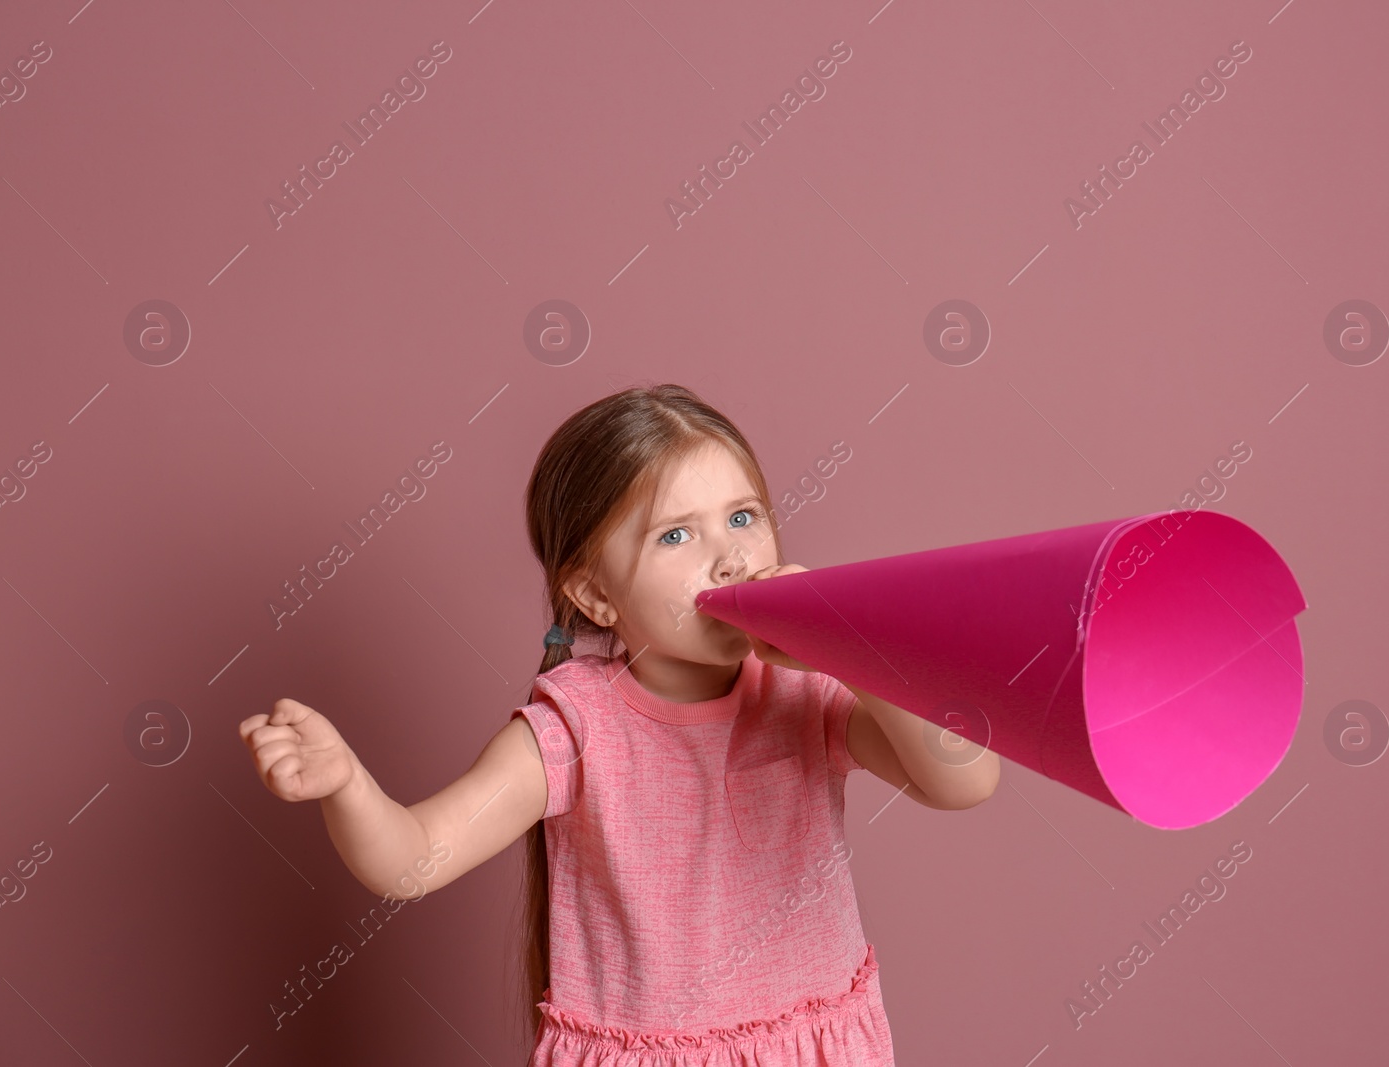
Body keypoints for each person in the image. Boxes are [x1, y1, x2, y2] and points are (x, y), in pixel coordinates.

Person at [238, 383, 1001, 1066]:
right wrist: (347, 784)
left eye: (743, 517)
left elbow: (963, 778)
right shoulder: (576, 726)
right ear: (596, 597)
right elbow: (412, 859)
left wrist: (857, 651)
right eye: (676, 535)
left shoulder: (807, 689)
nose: (730, 558)